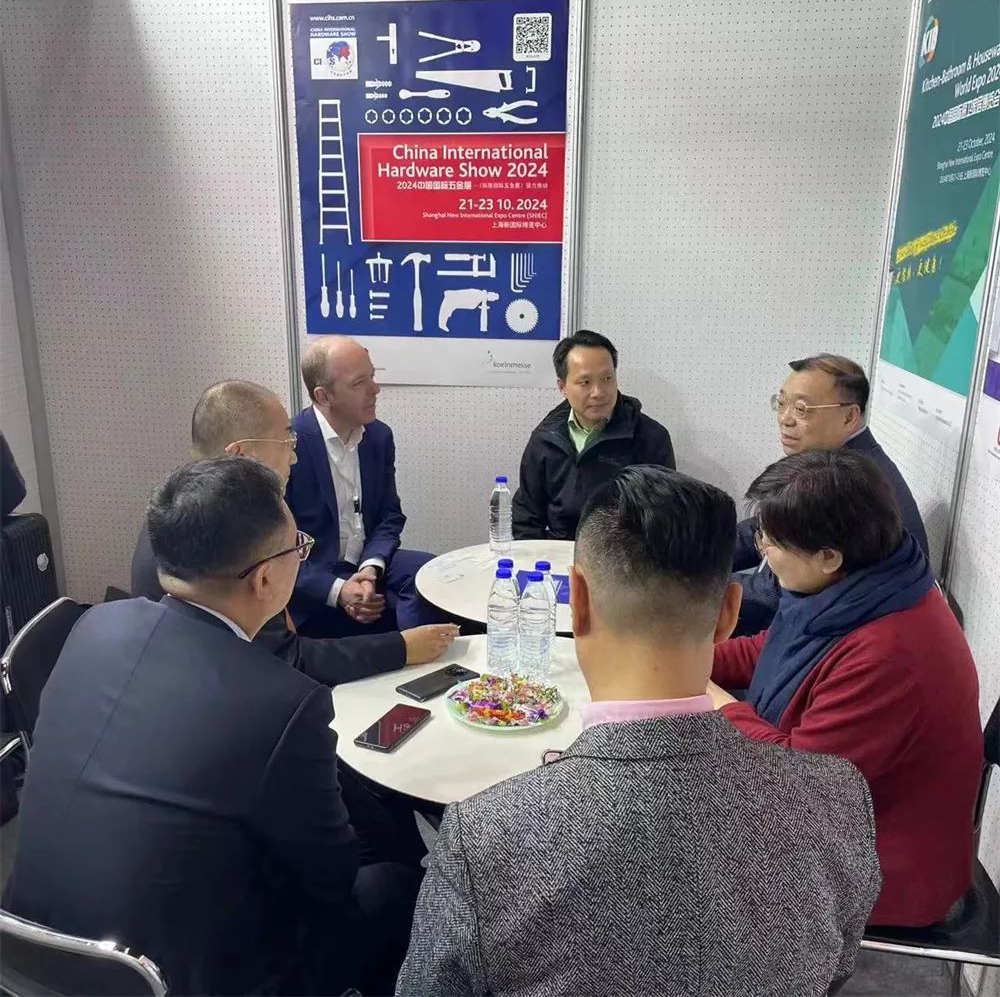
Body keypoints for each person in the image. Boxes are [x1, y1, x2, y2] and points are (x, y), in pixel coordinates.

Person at [399, 465, 880, 997]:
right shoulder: (837, 797)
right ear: (728, 614)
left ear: (577, 602)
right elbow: (833, 971)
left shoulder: (486, 838)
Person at [6, 458, 422, 995]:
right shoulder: (284, 705)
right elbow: (332, 879)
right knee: (398, 884)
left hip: (27, 954)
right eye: (299, 547)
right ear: (265, 578)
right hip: (183, 978)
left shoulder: (94, 625)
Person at [710, 450, 981, 928]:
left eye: (771, 540)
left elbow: (800, 782)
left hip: (882, 870)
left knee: (667, 855)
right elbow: (769, 648)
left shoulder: (889, 653)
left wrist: (715, 702)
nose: (761, 548)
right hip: (833, 818)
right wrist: (687, 659)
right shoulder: (859, 587)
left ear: (828, 556)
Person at [131, 379, 458, 684]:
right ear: (241, 453)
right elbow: (286, 659)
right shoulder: (227, 530)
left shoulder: (180, 507)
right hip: (232, 689)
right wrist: (403, 648)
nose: (294, 456)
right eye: (285, 442)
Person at [734, 353, 929, 636]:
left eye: (802, 409)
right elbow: (763, 527)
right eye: (782, 403)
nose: (785, 419)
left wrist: (692, 590)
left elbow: (771, 596)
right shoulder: (840, 463)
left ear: (849, 416)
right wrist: (697, 553)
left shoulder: (848, 486)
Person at [287, 337, 441, 637]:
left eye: (372, 376)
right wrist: (338, 590)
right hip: (312, 573)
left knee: (428, 572)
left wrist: (371, 568)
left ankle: (416, 656)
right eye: (359, 382)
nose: (375, 389)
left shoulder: (378, 437)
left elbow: (389, 516)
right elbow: (274, 553)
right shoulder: (290, 445)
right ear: (323, 396)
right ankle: (401, 649)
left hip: (363, 560)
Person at [511, 330, 675, 540]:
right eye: (585, 382)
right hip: (559, 550)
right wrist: (537, 557)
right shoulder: (545, 439)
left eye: (607, 378)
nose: (598, 392)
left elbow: (664, 520)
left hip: (623, 553)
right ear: (562, 387)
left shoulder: (650, 438)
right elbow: (526, 516)